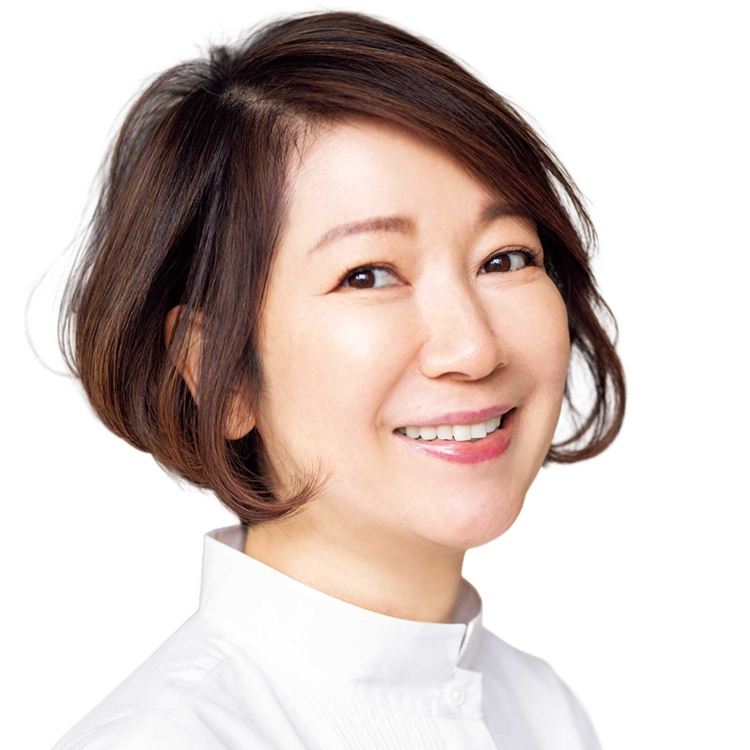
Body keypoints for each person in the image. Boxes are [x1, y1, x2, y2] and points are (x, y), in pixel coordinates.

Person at [50, 9, 625, 749]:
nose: (473, 348)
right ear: (219, 372)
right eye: (368, 275)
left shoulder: (542, 710)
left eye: (504, 258)